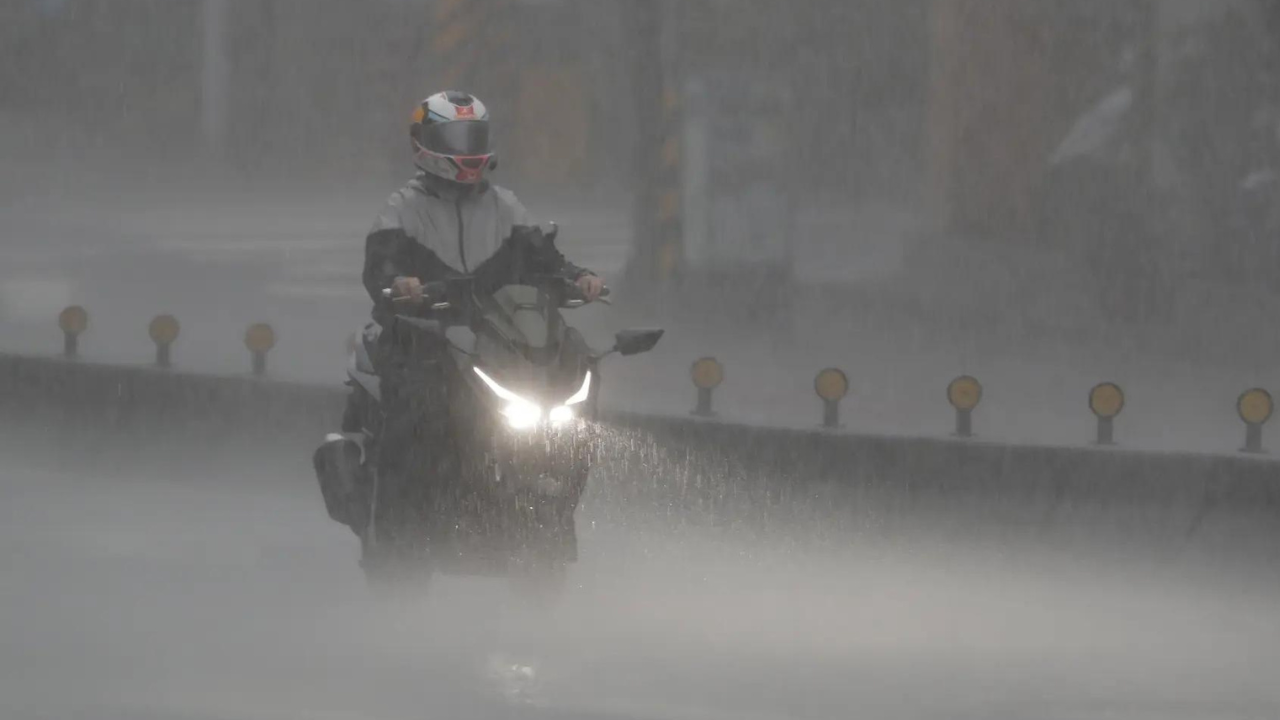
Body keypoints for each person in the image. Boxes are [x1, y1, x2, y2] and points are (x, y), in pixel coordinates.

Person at [356, 91, 603, 523]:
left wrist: (578, 278)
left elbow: (543, 259)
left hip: (493, 336)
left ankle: (551, 490)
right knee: (415, 412)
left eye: (474, 137)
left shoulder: (505, 206)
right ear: (423, 144)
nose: (466, 150)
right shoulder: (402, 209)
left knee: (573, 366)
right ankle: (399, 527)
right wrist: (401, 285)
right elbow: (380, 267)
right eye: (455, 138)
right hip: (423, 337)